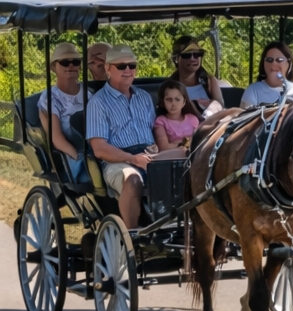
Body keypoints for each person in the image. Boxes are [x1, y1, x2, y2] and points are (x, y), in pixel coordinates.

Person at [84, 45, 158, 227]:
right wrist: (134, 159)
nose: (128, 70)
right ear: (108, 69)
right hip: (117, 161)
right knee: (132, 179)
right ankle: (131, 237)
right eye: (121, 66)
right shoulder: (98, 103)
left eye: (132, 66)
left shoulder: (144, 97)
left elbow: (156, 131)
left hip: (150, 155)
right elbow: (100, 149)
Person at [36, 43, 85, 168]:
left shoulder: (88, 93)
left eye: (75, 62)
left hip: (95, 147)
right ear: (53, 66)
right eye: (64, 62)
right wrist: (79, 157)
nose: (71, 66)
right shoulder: (50, 98)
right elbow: (56, 137)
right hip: (73, 154)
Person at [240, 41, 293, 108]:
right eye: (269, 60)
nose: (274, 63)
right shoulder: (253, 90)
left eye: (279, 60)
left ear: (288, 63)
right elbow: (245, 118)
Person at [170, 35, 226, 116]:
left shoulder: (209, 81)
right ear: (176, 59)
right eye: (187, 55)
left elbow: (220, 108)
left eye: (197, 54)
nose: (193, 58)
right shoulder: (170, 86)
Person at [153, 79, 201, 152]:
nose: (173, 103)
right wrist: (187, 142)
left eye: (177, 99)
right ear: (163, 102)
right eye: (169, 99)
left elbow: (199, 142)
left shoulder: (193, 119)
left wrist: (175, 144)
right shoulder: (161, 122)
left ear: (184, 102)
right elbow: (164, 147)